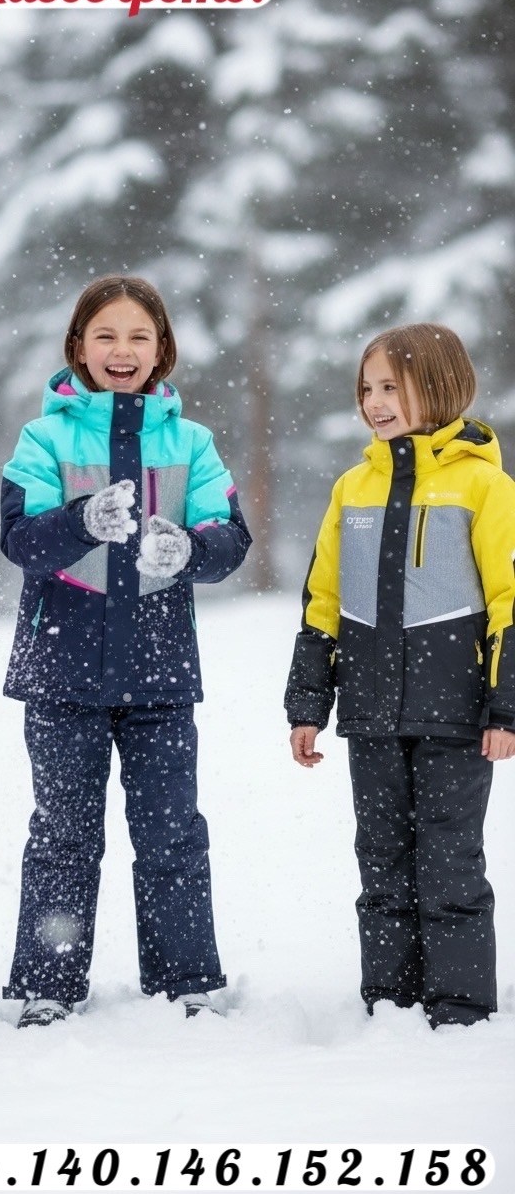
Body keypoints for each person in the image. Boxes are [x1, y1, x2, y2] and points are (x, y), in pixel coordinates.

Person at [0, 274, 252, 1027]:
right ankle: (48, 984)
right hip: (61, 672)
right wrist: (81, 520)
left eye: (139, 336)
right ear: (77, 346)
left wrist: (190, 549)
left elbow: (230, 537)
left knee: (172, 832)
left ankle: (186, 980)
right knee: (64, 836)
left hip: (159, 672)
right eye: (105, 335)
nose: (122, 349)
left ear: (161, 348)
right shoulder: (44, 439)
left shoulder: (191, 442)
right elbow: (20, 540)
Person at [285, 323, 515, 1029]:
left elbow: (509, 600)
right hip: (372, 714)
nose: (375, 402)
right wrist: (307, 704)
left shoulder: (485, 486)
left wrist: (505, 708)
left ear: (439, 388)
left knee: (450, 865)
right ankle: (390, 1004)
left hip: (456, 718)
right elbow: (323, 601)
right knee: (381, 862)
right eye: (367, 388)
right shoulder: (353, 487)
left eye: (392, 386)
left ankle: (460, 1010)